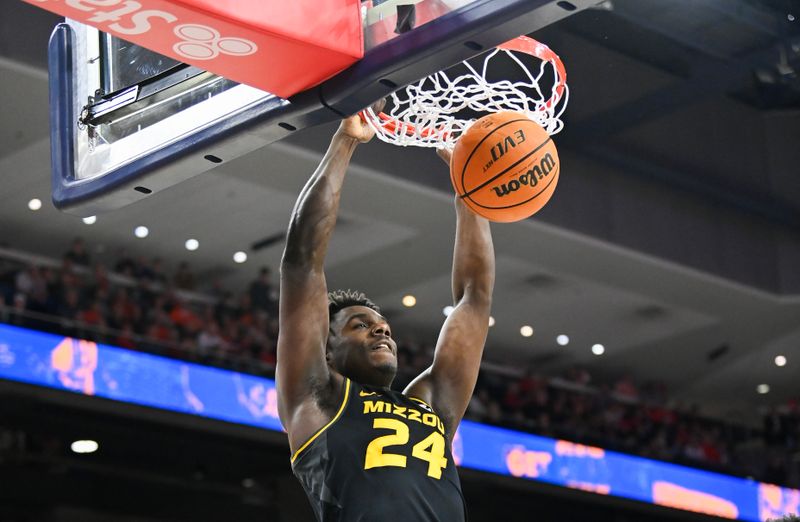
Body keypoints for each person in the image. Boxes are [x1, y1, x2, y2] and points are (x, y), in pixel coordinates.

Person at [276, 108, 495, 521]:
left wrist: (469, 193)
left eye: (384, 327)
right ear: (326, 351)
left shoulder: (431, 404)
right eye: (361, 326)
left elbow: (475, 297)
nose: (381, 331)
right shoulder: (317, 396)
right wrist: (346, 140)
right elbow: (301, 263)